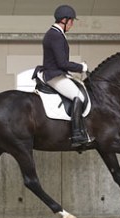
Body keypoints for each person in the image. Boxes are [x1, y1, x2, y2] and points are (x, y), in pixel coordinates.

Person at [42, 5, 94, 147]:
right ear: (64, 20)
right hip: (54, 75)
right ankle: (77, 134)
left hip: (57, 73)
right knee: (79, 96)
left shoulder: (55, 34)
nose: (72, 24)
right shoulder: (56, 36)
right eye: (71, 21)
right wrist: (81, 67)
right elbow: (62, 63)